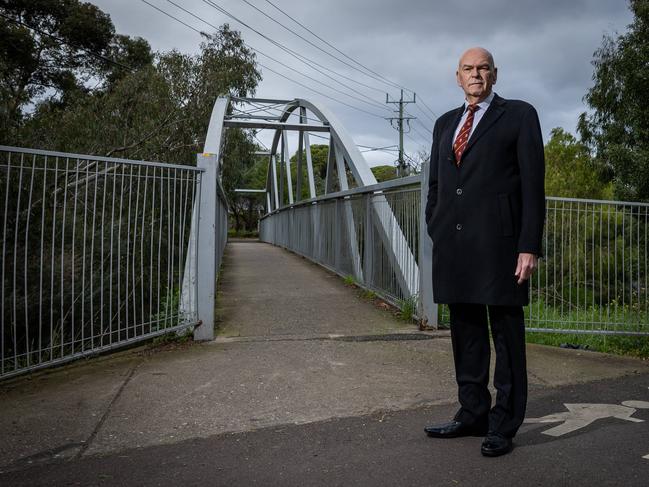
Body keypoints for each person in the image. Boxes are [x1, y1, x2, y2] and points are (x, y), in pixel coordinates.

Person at [424, 47, 545, 457]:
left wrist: (529, 245)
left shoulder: (519, 115)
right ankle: (473, 411)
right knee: (466, 332)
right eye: (468, 69)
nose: (476, 75)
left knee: (507, 336)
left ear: (495, 74)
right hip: (455, 245)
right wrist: (434, 224)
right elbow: (438, 184)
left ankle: (504, 423)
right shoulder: (444, 123)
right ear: (457, 76)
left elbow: (533, 186)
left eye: (483, 68)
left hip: (502, 246)